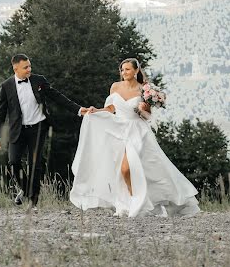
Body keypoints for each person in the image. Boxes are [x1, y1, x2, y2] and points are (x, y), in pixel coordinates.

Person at [70, 58, 200, 218]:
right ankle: (130, 202)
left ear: (136, 71)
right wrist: (96, 111)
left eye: (127, 69)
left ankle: (138, 202)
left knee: (130, 168)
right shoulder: (115, 87)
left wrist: (143, 109)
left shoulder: (144, 90)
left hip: (137, 131)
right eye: (122, 70)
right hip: (118, 129)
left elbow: (147, 116)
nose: (124, 73)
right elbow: (112, 108)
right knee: (122, 169)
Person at [0, 53, 88, 210]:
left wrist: (78, 110)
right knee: (13, 162)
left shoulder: (39, 80)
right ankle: (25, 189)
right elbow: (0, 112)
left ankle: (33, 201)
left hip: (38, 128)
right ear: (15, 68)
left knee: (35, 164)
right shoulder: (6, 86)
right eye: (25, 67)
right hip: (18, 130)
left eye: (30, 66)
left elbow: (57, 96)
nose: (29, 69)